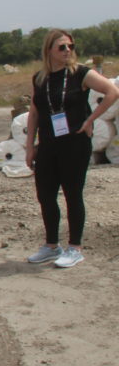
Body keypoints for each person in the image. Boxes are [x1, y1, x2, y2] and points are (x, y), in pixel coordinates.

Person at [25, 29, 118, 268]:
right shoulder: (40, 79)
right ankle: (51, 245)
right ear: (49, 51)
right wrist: (29, 146)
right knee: (45, 195)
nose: (67, 51)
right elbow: (35, 113)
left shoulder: (80, 74)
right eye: (62, 47)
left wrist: (90, 120)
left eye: (70, 46)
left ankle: (75, 248)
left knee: (72, 194)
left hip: (75, 144)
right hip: (48, 144)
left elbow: (112, 92)